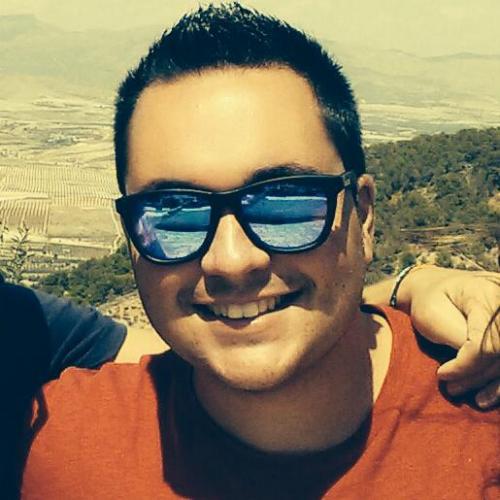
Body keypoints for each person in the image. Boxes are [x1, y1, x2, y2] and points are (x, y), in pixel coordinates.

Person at [20, 4, 499, 499]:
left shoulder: (482, 423)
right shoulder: (62, 449)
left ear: (364, 214)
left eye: (285, 202)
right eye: (174, 212)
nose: (232, 260)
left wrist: (413, 282)